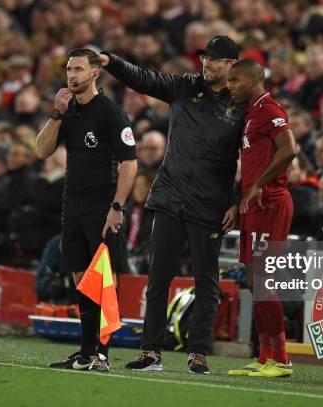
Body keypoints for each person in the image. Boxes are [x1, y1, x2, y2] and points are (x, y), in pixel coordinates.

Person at [98, 36, 244, 374]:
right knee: (157, 278)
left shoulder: (242, 102)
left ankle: (198, 353)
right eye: (206, 58)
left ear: (232, 65)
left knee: (205, 281)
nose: (208, 64)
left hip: (210, 203)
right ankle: (151, 352)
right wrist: (113, 61)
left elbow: (249, 160)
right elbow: (145, 79)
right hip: (169, 196)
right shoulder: (183, 87)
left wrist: (236, 202)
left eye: (217, 60)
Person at [36, 48, 138, 372]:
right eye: (68, 69)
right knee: (81, 277)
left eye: (78, 69)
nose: (71, 75)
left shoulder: (110, 112)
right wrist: (55, 114)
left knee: (104, 278)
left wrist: (117, 207)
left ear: (95, 73)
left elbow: (130, 164)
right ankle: (85, 352)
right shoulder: (66, 112)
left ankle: (102, 354)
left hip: (103, 204)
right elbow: (41, 151)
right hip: (73, 203)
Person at [225, 60, 296, 378]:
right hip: (253, 205)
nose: (230, 85)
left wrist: (258, 185)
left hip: (270, 203)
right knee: (254, 282)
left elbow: (289, 149)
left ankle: (281, 358)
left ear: (254, 80)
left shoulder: (269, 110)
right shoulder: (250, 113)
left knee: (264, 282)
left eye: (235, 79)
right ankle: (265, 356)